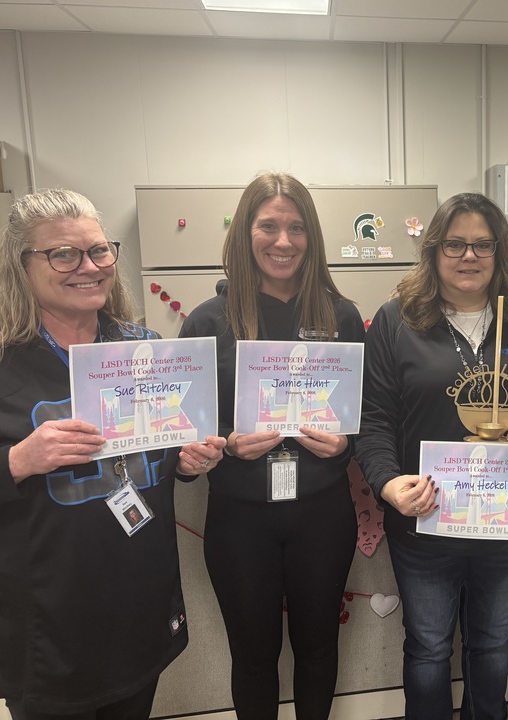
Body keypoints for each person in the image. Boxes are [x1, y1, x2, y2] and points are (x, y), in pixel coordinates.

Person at [0, 189, 225, 719]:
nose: (88, 267)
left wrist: (189, 461)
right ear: (20, 264)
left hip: (136, 605)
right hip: (45, 623)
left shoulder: (144, 352)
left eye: (99, 251)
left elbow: (160, 461)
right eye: (63, 254)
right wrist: (18, 461)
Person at [357, 192, 508, 719]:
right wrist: (387, 484)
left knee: (492, 646)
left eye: (482, 244)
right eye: (455, 244)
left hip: (502, 519)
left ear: (500, 253)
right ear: (434, 251)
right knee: (428, 648)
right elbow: (374, 418)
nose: (468, 256)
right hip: (424, 519)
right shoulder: (397, 322)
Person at [179, 172, 365, 720]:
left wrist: (343, 445)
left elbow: (363, 418)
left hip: (322, 515)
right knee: (253, 657)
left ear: (312, 239)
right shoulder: (206, 322)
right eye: (268, 226)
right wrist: (226, 446)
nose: (283, 241)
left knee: (318, 649)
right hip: (241, 519)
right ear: (244, 232)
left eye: (296, 228)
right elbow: (187, 436)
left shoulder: (342, 316)